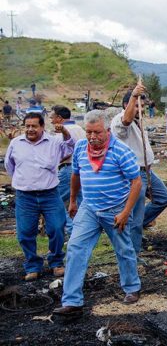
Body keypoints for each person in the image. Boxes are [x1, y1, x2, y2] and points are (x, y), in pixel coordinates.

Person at [53, 110, 142, 315]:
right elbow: (75, 174)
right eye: (89, 132)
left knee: (123, 249)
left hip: (115, 209)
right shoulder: (81, 147)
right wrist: (74, 201)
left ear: (108, 130)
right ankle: (72, 301)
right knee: (75, 248)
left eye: (97, 132)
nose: (92, 137)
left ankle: (132, 287)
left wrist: (127, 211)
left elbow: (136, 181)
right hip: (89, 207)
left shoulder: (121, 150)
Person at [4, 112, 74, 281]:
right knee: (25, 233)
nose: (30, 129)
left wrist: (64, 131)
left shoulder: (54, 141)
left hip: (50, 194)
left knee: (57, 228)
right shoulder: (15, 143)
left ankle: (56, 262)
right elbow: (9, 166)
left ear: (42, 127)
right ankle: (32, 266)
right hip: (25, 196)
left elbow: (70, 146)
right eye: (27, 126)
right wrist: (24, 181)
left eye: (34, 126)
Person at [111, 84, 167, 254]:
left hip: (147, 171)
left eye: (142, 106)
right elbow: (126, 120)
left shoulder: (140, 121)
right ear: (126, 104)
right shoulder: (121, 119)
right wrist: (133, 97)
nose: (140, 109)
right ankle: (133, 253)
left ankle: (136, 226)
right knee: (135, 217)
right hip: (133, 174)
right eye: (137, 105)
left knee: (164, 198)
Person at [50, 105, 86, 235]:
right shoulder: (80, 129)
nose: (51, 120)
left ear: (59, 118)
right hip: (83, 169)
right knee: (82, 201)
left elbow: (64, 153)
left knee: (54, 201)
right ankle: (82, 230)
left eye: (52, 117)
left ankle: (71, 229)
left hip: (67, 169)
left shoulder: (62, 133)